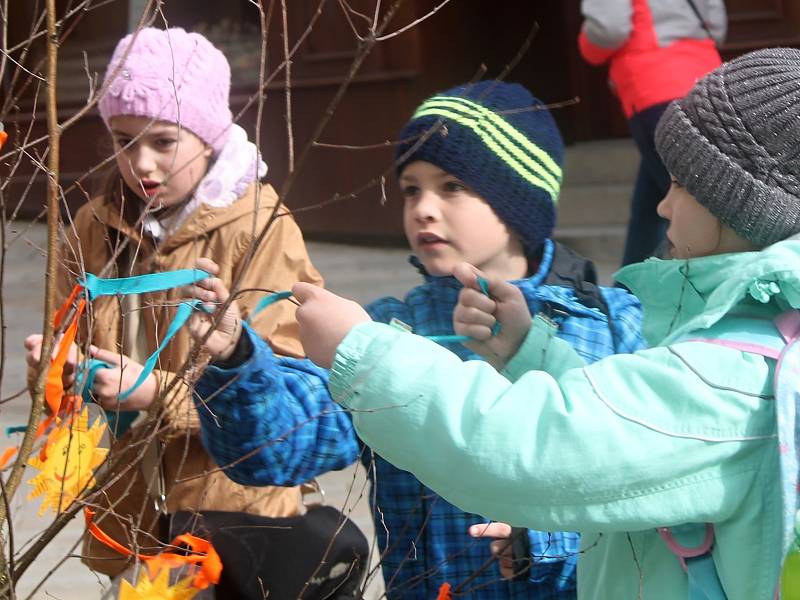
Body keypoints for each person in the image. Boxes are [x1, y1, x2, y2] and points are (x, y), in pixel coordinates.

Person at [292, 48, 800, 599]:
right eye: (411, 189)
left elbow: (539, 449)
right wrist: (532, 353)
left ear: (738, 206)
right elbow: (615, 428)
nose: (662, 207)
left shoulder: (734, 377)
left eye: (682, 185)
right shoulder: (755, 346)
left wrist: (361, 352)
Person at [187, 80, 645, 598]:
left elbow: (646, 478)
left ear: (517, 197)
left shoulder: (610, 325)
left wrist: (541, 538)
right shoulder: (388, 334)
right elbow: (273, 450)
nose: (424, 208)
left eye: (451, 186)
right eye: (411, 189)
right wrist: (236, 360)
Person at [22, 26, 356, 580]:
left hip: (233, 518)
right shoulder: (92, 224)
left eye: (163, 142)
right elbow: (69, 340)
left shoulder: (256, 227)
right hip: (127, 512)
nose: (142, 164)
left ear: (208, 135)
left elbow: (285, 390)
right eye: (124, 140)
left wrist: (159, 395)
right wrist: (58, 374)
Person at [578, 0, 726, 266]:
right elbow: (716, 26)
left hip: (656, 91)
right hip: (708, 85)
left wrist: (586, 45)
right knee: (650, 208)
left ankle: (741, 293)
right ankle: (629, 295)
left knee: (702, 211)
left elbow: (609, 30)